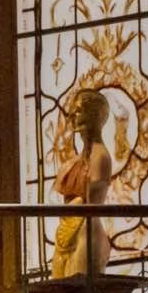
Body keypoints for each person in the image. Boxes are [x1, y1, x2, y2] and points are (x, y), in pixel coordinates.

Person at [50, 87, 115, 279]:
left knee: (80, 285)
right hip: (67, 232)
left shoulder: (100, 157)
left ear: (93, 115)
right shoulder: (76, 161)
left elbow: (93, 204)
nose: (72, 116)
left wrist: (73, 205)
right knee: (64, 286)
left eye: (78, 111)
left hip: (86, 233)